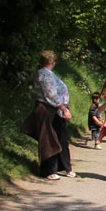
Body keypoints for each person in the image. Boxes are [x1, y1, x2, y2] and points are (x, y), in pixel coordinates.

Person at [21, 50, 74, 180]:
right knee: (49, 140)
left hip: (54, 110)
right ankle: (49, 170)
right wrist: (63, 108)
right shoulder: (45, 75)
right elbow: (50, 94)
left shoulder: (47, 74)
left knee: (61, 138)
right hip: (47, 110)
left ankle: (65, 167)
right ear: (51, 62)